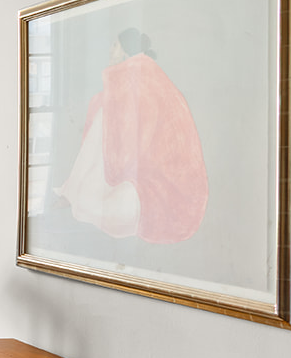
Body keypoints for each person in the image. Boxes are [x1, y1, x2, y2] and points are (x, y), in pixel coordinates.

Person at [55, 28, 207, 243]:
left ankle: (75, 192)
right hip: (133, 174)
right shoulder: (129, 81)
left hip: (158, 183)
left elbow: (145, 138)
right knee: (100, 107)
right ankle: (74, 190)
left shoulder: (144, 78)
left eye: (115, 45)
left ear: (126, 52)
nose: (111, 49)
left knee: (110, 207)